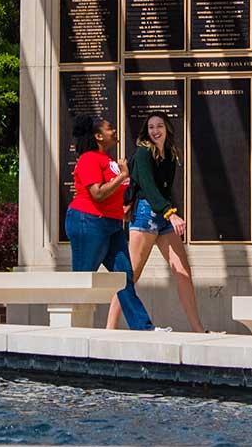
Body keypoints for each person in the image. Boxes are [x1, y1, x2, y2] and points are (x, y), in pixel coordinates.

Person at [65, 114, 153, 330]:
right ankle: (72, 327)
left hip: (112, 224)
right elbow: (97, 193)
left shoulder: (109, 161)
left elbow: (113, 193)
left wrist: (124, 206)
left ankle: (143, 328)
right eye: (109, 128)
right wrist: (122, 175)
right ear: (98, 136)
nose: (114, 131)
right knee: (84, 277)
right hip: (88, 221)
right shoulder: (88, 159)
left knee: (124, 276)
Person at [125, 114, 205, 333]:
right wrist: (171, 213)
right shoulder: (143, 153)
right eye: (151, 127)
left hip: (163, 215)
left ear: (167, 128)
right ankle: (109, 328)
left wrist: (167, 213)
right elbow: (149, 188)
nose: (155, 130)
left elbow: (164, 190)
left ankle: (198, 329)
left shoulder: (170, 154)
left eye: (159, 125)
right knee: (130, 275)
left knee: (183, 271)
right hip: (145, 214)